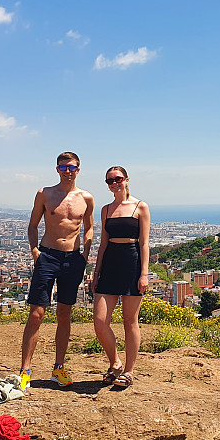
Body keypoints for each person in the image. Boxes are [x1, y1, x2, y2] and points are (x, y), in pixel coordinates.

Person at [19, 151, 95, 390]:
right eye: (63, 167)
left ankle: (58, 367)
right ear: (57, 169)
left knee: (64, 313)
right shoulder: (45, 194)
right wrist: (34, 251)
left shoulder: (86, 198)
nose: (68, 171)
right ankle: (25, 371)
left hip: (73, 259)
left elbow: (89, 228)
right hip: (48, 255)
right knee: (36, 313)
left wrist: (85, 254)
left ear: (79, 169)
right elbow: (33, 225)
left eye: (71, 167)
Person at [92, 166, 150, 388]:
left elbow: (144, 243)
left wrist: (144, 273)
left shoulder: (140, 206)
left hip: (132, 262)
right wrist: (96, 273)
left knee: (130, 320)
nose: (114, 183)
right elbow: (103, 243)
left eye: (117, 179)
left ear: (126, 180)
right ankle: (114, 362)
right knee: (100, 321)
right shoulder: (106, 209)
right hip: (110, 263)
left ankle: (129, 370)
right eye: (109, 181)